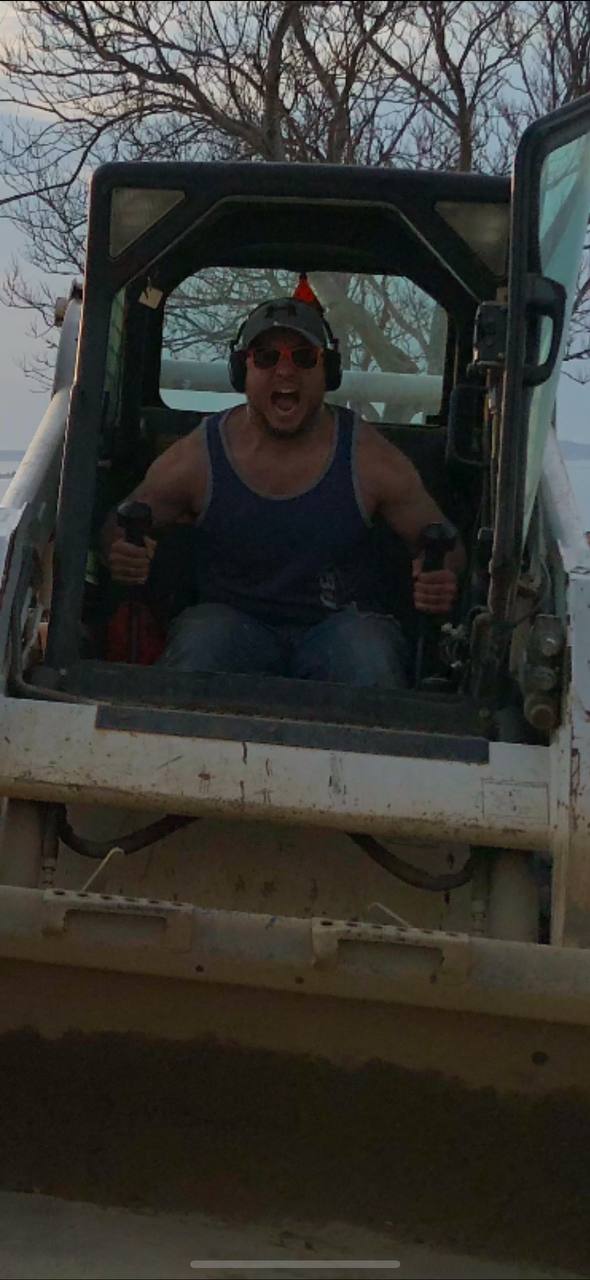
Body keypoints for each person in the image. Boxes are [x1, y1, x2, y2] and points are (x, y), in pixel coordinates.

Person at [102, 293, 465, 687]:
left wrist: (441, 576)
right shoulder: (199, 456)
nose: (286, 371)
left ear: (328, 371)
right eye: (267, 357)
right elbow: (119, 527)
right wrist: (122, 552)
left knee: (367, 652)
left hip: (341, 627)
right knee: (202, 640)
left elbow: (445, 543)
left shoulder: (369, 457)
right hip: (231, 625)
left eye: (304, 357)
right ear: (242, 370)